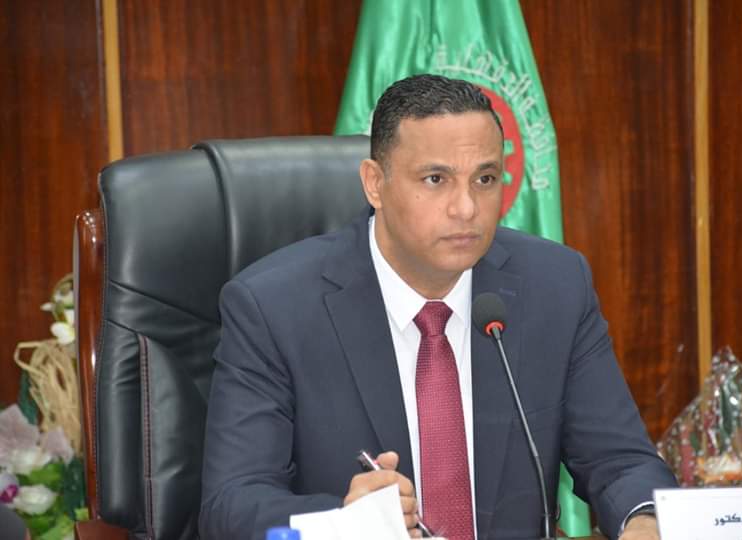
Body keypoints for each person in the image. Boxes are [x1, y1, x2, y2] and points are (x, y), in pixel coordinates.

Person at [199, 74, 677, 540]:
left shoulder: (554, 286)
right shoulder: (273, 308)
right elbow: (231, 504)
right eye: (436, 179)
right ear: (374, 184)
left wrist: (643, 521)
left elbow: (621, 460)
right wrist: (344, 522)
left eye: (485, 179)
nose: (466, 208)